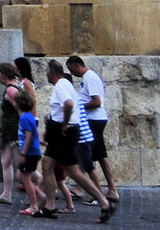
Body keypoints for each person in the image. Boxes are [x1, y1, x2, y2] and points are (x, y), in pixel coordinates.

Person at [38, 59, 113, 221]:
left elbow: (69, 104)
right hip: (58, 132)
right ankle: (49, 207)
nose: (46, 74)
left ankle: (104, 203)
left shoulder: (61, 85)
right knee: (47, 164)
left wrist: (64, 124)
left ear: (51, 72)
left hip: (65, 133)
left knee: (74, 172)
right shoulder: (64, 84)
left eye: (46, 71)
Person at [69, 55, 120, 204]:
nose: (72, 74)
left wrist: (79, 106)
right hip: (97, 119)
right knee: (101, 155)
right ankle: (112, 190)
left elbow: (97, 102)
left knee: (83, 153)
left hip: (94, 120)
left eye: (72, 70)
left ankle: (82, 188)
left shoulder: (89, 78)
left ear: (78, 66)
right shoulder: (88, 78)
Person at [0, 61, 25, 203]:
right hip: (9, 132)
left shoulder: (11, 90)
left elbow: (20, 112)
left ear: (4, 75)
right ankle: (6, 194)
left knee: (23, 166)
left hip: (14, 133)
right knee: (6, 161)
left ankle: (42, 187)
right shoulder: (12, 89)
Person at [15, 90, 45, 215]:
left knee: (26, 178)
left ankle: (34, 205)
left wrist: (23, 153)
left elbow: (29, 136)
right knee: (23, 176)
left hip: (30, 153)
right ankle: (40, 195)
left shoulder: (24, 118)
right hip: (33, 151)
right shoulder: (29, 117)